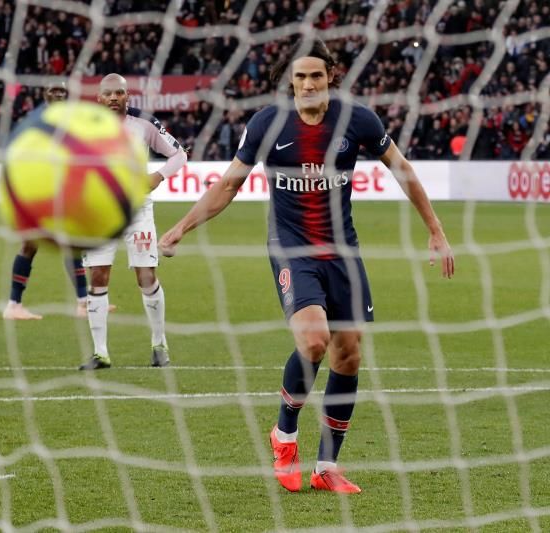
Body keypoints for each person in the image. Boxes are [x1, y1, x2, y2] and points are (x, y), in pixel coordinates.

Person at [159, 39, 454, 493]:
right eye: (300, 77)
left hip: (343, 251)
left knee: (349, 354)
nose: (309, 84)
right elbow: (228, 187)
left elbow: (403, 170)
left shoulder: (357, 120)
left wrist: (435, 228)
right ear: (289, 81)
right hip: (291, 247)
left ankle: (326, 467)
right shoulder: (267, 124)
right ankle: (284, 434)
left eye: (317, 75)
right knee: (314, 340)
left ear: (331, 76)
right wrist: (181, 227)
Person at [79, 73, 187, 370]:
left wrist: (157, 176)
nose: (114, 98)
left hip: (137, 210)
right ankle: (100, 353)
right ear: (98, 98)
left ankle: (159, 344)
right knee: (97, 278)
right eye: (108, 94)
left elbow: (179, 155)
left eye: (119, 93)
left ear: (128, 97)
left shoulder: (145, 123)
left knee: (146, 276)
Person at [2, 82, 94, 320]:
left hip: (57, 193)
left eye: (62, 94)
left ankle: (82, 302)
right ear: (47, 97)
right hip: (38, 194)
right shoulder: (38, 125)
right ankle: (14, 305)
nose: (59, 99)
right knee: (31, 245)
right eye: (55, 94)